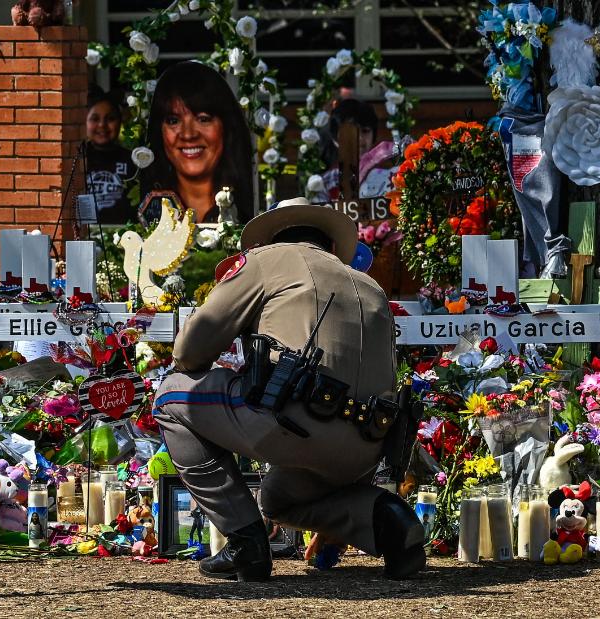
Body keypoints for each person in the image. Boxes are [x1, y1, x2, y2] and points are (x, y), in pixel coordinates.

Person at [153, 197, 424, 582]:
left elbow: (189, 351)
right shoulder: (370, 286)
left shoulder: (267, 260)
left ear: (273, 238)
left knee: (169, 395)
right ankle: (388, 519)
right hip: (367, 447)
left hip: (292, 421)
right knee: (279, 499)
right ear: (329, 244)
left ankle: (246, 543)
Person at [142, 61, 254, 225]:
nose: (188, 134)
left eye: (203, 119)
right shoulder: (149, 212)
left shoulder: (251, 211)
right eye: (173, 121)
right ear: (159, 131)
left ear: (226, 127)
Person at [81, 85, 138, 224]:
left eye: (110, 118)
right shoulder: (77, 159)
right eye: (95, 119)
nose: (102, 125)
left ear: (120, 122)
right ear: (85, 122)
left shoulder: (133, 161)